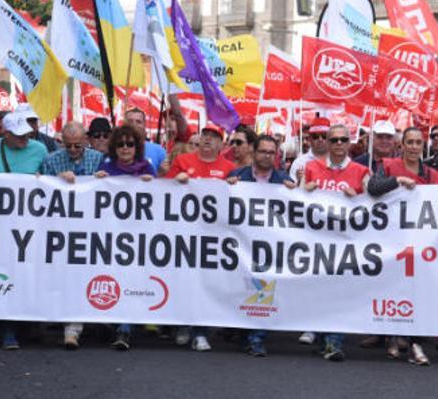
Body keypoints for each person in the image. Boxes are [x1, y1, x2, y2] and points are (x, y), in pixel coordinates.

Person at [366, 127, 438, 365]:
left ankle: (414, 341)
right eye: (410, 142)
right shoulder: (387, 166)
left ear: (423, 146)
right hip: (391, 240)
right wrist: (396, 181)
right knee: (391, 288)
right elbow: (373, 189)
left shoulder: (433, 176)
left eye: (418, 142)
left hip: (419, 243)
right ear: (402, 145)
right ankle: (393, 336)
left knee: (416, 291)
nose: (414, 147)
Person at [0, 112, 47, 350]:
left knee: (25, 273)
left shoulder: (39, 149)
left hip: (31, 224)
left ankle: (26, 324)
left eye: (27, 134)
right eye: (18, 136)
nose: (25, 139)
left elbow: (50, 181)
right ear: (4, 133)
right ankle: (7, 329)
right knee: (4, 271)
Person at [302, 124, 371, 361]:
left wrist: (360, 196)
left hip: (345, 245)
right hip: (316, 244)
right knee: (319, 292)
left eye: (343, 140)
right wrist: (303, 190)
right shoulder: (311, 168)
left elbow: (375, 205)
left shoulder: (362, 171)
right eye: (334, 140)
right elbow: (294, 202)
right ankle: (323, 337)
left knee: (339, 292)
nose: (339, 144)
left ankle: (334, 342)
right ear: (328, 144)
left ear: (350, 142)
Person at [165, 124, 235, 351]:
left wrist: (234, 187)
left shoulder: (229, 167)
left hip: (213, 237)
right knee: (185, 280)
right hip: (184, 233)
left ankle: (200, 331)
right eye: (205, 135)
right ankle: (184, 324)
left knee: (206, 282)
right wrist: (176, 180)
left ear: (221, 145)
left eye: (213, 136)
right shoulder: (183, 161)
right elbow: (162, 190)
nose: (207, 139)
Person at [226, 135, 296, 357]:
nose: (266, 156)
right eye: (262, 151)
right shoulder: (237, 176)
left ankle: (256, 338)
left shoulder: (283, 180)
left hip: (269, 245)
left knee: (263, 287)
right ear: (253, 152)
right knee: (238, 287)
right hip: (240, 243)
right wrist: (226, 188)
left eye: (271, 152)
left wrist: (295, 191)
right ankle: (240, 330)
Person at [41, 122, 104, 350]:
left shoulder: (98, 158)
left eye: (78, 145)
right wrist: (56, 178)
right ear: (62, 142)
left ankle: (74, 327)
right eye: (69, 146)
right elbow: (41, 189)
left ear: (86, 140)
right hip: (60, 228)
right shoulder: (51, 160)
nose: (74, 150)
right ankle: (68, 322)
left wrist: (102, 178)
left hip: (91, 228)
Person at [92, 125, 156, 351]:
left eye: (130, 144)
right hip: (110, 235)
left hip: (137, 236)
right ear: (114, 147)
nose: (125, 148)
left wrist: (152, 184)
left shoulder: (146, 167)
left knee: (130, 280)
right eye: (121, 144)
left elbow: (160, 200)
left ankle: (125, 329)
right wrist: (96, 180)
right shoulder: (106, 166)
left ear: (137, 147)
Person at [289, 117, 330, 183]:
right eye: (315, 136)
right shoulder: (299, 163)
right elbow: (291, 191)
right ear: (311, 139)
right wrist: (299, 182)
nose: (320, 139)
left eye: (324, 136)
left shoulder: (339, 162)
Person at [125, 108, 166, 172]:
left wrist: (161, 173)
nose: (134, 125)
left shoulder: (158, 150)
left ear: (144, 125)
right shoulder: (116, 149)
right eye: (130, 121)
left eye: (138, 122)